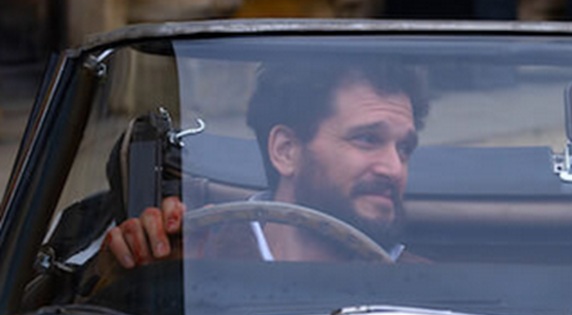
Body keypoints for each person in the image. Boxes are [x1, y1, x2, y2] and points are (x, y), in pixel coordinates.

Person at [102, 57, 430, 268]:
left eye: (404, 148)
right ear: (286, 150)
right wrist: (127, 264)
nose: (394, 168)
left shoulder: (428, 288)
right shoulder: (194, 259)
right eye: (367, 139)